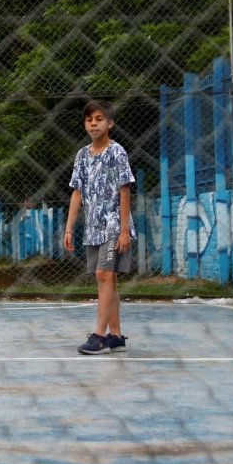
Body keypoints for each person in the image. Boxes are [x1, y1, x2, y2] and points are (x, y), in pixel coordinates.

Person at [62, 100, 136, 355]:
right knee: (108, 280)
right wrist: (69, 228)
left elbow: (124, 192)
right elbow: (77, 193)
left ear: (110, 123)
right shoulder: (82, 155)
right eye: (88, 119)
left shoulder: (117, 152)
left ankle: (99, 336)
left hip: (114, 226)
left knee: (104, 276)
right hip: (93, 227)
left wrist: (124, 230)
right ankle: (116, 335)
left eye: (99, 119)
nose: (93, 123)